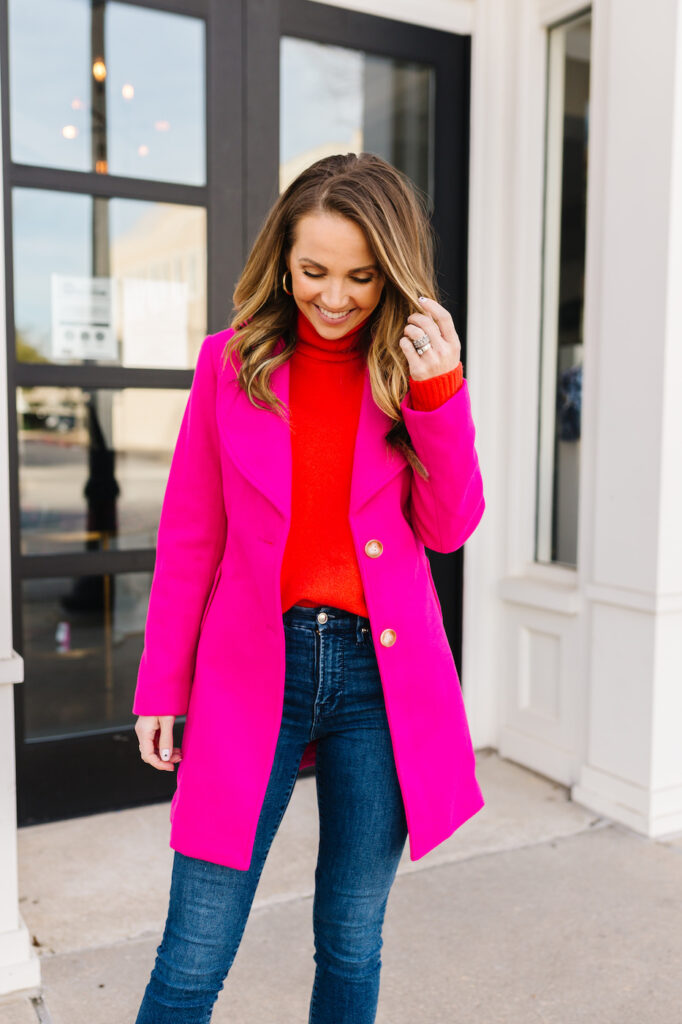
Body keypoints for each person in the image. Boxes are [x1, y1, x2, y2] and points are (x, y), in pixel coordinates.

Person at [132, 151, 486, 1024]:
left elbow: (450, 527)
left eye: (362, 277)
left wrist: (441, 395)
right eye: (314, 271)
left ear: (392, 273)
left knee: (351, 938)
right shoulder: (229, 365)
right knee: (193, 953)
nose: (334, 298)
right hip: (255, 669)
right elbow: (189, 539)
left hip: (381, 682)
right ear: (282, 262)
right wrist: (161, 687)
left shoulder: (410, 372)